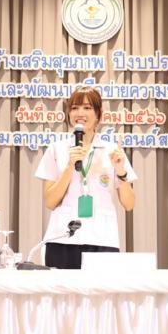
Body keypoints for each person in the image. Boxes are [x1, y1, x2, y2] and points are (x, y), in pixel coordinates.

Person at [35, 86, 137, 269]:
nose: (80, 113)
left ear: (98, 114)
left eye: (87, 108)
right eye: (74, 108)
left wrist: (121, 171)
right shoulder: (57, 149)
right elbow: (50, 201)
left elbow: (129, 204)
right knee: (61, 288)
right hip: (63, 237)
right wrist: (69, 166)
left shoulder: (112, 151)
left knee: (100, 288)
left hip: (102, 238)